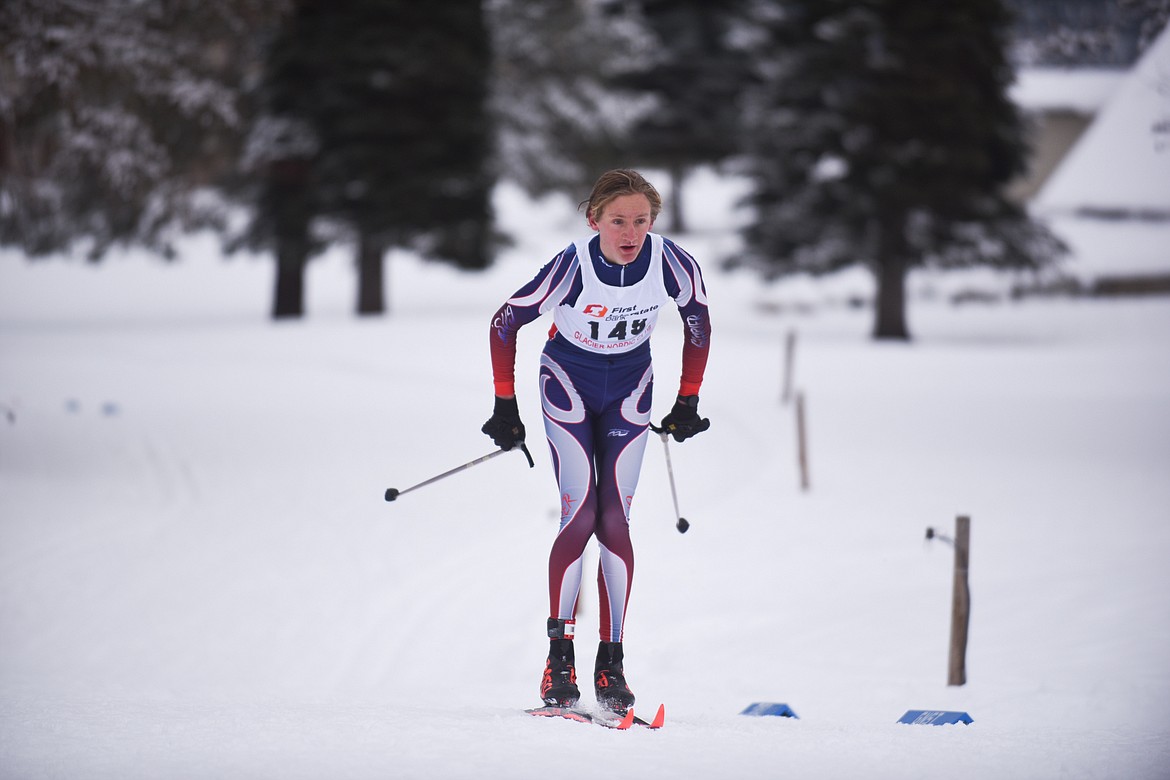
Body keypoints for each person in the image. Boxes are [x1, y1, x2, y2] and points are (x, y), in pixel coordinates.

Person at [481, 169, 712, 714]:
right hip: (568, 384)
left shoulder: (671, 262)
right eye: (618, 221)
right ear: (594, 220)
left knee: (615, 521)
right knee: (580, 515)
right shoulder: (575, 264)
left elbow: (697, 319)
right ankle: (559, 662)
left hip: (630, 391)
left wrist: (688, 399)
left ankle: (611, 666)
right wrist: (504, 404)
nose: (630, 232)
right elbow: (504, 321)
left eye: (641, 220)